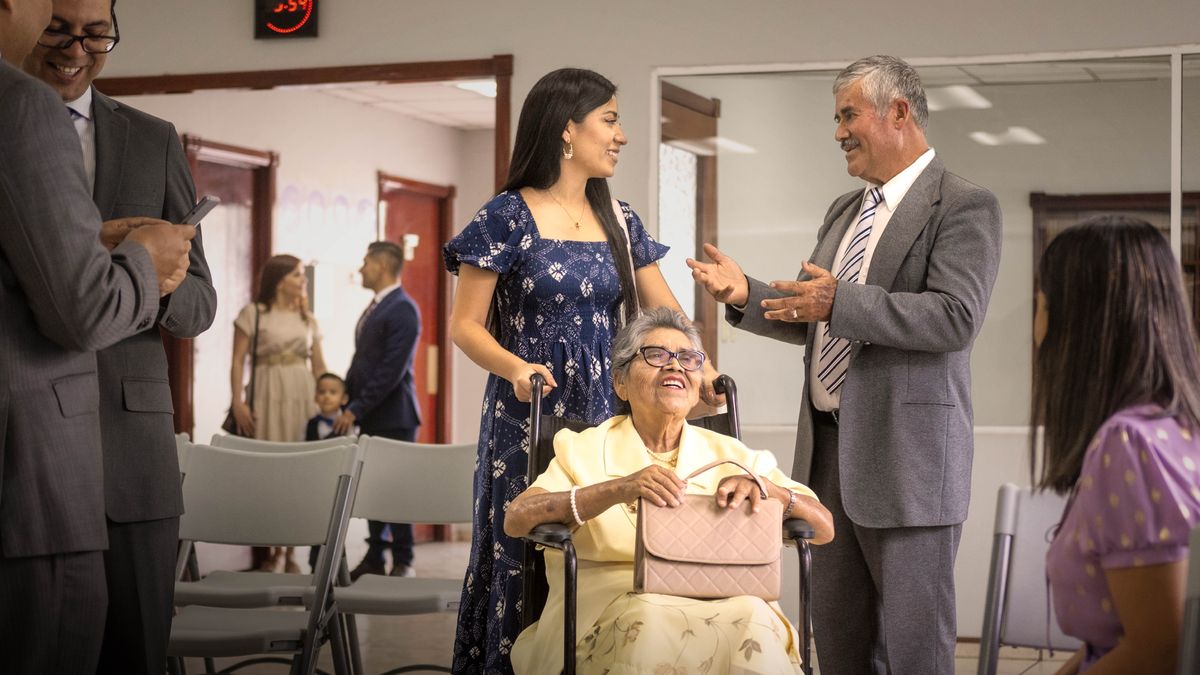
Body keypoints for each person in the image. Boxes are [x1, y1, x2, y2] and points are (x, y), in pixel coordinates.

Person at [688, 54, 1003, 673]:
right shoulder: (844, 211)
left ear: (900, 112)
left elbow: (954, 318)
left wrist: (841, 301)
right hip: (827, 458)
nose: (838, 132)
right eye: (836, 117)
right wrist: (745, 295)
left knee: (916, 653)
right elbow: (820, 315)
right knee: (837, 646)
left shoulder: (963, 206)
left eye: (848, 115)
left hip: (909, 463)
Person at [444, 67, 721, 673]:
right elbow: (464, 326)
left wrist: (703, 374)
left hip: (606, 405)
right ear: (567, 129)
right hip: (528, 410)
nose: (620, 135)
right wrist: (517, 367)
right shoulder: (506, 216)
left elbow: (664, 312)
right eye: (611, 120)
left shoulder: (619, 217)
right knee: (527, 545)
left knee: (605, 541)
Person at [21, 1, 216, 672]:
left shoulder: (152, 138)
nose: (76, 48)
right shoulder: (10, 118)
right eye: (58, 28)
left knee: (135, 652)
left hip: (129, 450)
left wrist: (152, 277)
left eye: (97, 34)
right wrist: (101, 255)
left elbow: (201, 301)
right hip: (28, 451)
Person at [503, 308, 834, 674]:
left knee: (755, 614)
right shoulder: (582, 448)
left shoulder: (732, 455)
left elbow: (823, 528)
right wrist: (617, 488)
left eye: (688, 359)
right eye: (656, 355)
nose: (675, 366)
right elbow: (517, 519)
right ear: (621, 383)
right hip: (613, 605)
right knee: (648, 618)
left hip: (724, 599)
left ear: (696, 386)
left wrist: (770, 490)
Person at [1031, 216, 1200, 674]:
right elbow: (1109, 646)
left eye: (1041, 303)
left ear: (1078, 320)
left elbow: (1157, 651)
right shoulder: (1174, 428)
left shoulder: (1129, 444)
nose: (1036, 324)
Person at [230, 253, 327, 573]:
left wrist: (329, 401)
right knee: (268, 473)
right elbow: (237, 360)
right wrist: (237, 402)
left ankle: (290, 552)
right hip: (266, 394)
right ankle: (270, 550)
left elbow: (319, 365)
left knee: (298, 472)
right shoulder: (253, 314)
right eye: (298, 274)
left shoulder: (307, 319)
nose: (303, 280)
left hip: (301, 394)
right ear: (280, 278)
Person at [333, 241, 422, 579]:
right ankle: (375, 556)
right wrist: (346, 396)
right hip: (372, 413)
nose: (361, 268)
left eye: (366, 261)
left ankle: (404, 559)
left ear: (383, 266)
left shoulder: (402, 308)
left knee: (396, 488)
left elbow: (390, 370)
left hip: (395, 416)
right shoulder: (377, 306)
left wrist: (356, 408)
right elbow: (365, 362)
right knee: (374, 487)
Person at [305, 372, 357, 573]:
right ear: (315, 396)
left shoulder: (349, 427)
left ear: (343, 398)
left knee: (336, 527)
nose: (327, 396)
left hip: (338, 484)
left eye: (332, 392)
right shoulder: (309, 424)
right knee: (317, 525)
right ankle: (314, 569)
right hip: (316, 485)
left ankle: (335, 570)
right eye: (322, 392)